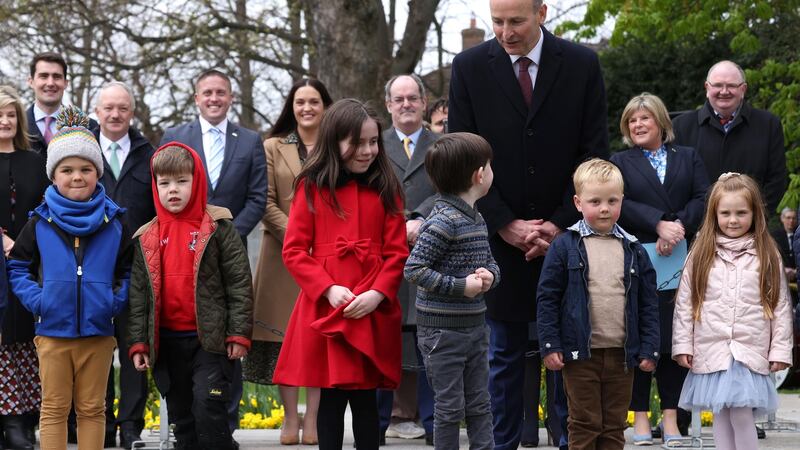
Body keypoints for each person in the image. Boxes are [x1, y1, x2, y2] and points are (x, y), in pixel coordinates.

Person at [448, 1, 609, 448]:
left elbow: (593, 152)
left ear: (541, 12)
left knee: (567, 351)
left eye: (515, 21)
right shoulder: (469, 68)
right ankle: (501, 443)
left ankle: (568, 440)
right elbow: (461, 155)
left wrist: (558, 223)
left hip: (566, 236)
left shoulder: (580, 65)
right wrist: (505, 224)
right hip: (498, 241)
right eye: (497, 21)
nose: (504, 32)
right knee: (503, 353)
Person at [272, 99, 408, 450]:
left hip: (370, 306)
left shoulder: (386, 187)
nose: (367, 151)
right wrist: (328, 289)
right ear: (334, 141)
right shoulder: (312, 186)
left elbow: (396, 252)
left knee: (366, 398)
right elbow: (295, 250)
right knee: (330, 397)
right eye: (357, 143)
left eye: (373, 142)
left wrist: (377, 294)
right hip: (329, 307)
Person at [7, 106, 133, 450]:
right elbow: (18, 267)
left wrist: (113, 301)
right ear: (54, 176)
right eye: (67, 170)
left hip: (98, 333)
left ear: (97, 173)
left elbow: (128, 270)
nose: (77, 176)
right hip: (52, 334)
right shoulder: (40, 222)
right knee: (54, 408)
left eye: (85, 169)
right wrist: (40, 301)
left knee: (93, 409)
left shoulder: (114, 223)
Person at [126, 142, 254, 450]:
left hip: (208, 340)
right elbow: (139, 296)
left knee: (208, 408)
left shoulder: (218, 226)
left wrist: (238, 332)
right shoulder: (147, 236)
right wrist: (139, 342)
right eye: (165, 182)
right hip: (168, 343)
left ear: (196, 181)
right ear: (155, 186)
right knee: (182, 418)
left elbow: (239, 283)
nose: (173, 190)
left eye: (182, 181)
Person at [160, 68, 266, 434]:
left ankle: (225, 425)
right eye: (207, 92)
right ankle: (188, 427)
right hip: (182, 253)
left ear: (231, 97)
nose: (214, 98)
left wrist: (223, 235)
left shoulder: (250, 141)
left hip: (229, 249)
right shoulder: (175, 137)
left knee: (226, 335)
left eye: (221, 92)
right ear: (196, 98)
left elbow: (256, 197)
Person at [537, 159, 660, 450]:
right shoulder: (565, 245)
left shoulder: (634, 248)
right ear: (578, 202)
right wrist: (550, 344)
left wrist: (650, 347)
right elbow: (547, 298)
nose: (604, 208)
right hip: (580, 355)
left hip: (622, 355)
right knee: (584, 422)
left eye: (612, 201)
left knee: (615, 425)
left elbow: (648, 304)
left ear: (622, 201)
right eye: (595, 201)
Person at [609, 93, 709, 445]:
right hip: (637, 260)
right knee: (639, 336)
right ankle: (638, 418)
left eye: (644, 119)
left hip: (680, 260)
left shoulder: (689, 157)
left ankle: (670, 418)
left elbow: (702, 196)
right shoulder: (619, 161)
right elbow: (618, 201)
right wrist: (658, 224)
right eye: (632, 120)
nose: (637, 125)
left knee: (672, 339)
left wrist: (677, 226)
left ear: (661, 122)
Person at [672, 173, 794, 450]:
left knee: (740, 412)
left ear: (755, 213)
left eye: (741, 213)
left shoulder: (766, 252)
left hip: (749, 349)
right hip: (712, 347)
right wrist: (682, 344)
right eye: (725, 213)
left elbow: (781, 305)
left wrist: (780, 351)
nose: (733, 220)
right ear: (714, 214)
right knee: (720, 413)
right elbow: (685, 303)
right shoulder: (701, 251)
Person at [247, 78, 332, 446]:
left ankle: (312, 419)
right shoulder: (272, 147)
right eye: (300, 102)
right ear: (291, 106)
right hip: (283, 256)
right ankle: (290, 418)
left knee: (317, 337)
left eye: (314, 101)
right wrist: (299, 239)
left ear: (325, 106)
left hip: (326, 255)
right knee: (284, 337)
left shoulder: (336, 148)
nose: (307, 108)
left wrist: (320, 243)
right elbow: (264, 203)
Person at [404, 132, 500, 450]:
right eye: (490, 165)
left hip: (474, 327)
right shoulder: (444, 221)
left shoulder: (476, 218)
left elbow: (489, 263)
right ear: (479, 175)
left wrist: (490, 277)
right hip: (441, 334)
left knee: (480, 404)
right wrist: (462, 287)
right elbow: (414, 270)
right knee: (449, 409)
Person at [93, 80, 155, 449]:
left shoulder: (150, 154)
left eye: (123, 108)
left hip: (138, 270)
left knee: (135, 350)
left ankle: (131, 426)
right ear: (97, 112)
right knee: (98, 351)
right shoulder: (82, 153)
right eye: (108, 108)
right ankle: (100, 423)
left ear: (132, 113)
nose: (115, 115)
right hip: (93, 271)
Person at [380, 73, 437, 444]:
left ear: (424, 102)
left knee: (430, 338)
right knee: (385, 337)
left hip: (432, 252)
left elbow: (454, 188)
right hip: (384, 252)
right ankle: (382, 421)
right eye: (398, 99)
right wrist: (396, 223)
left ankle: (434, 422)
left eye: (412, 98)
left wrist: (420, 218)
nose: (406, 104)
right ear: (388, 105)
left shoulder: (442, 144)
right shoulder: (375, 144)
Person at [672, 60, 786, 215]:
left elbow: (777, 180)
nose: (724, 91)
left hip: (751, 228)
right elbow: (676, 183)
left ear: (743, 89)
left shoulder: (769, 125)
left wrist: (754, 218)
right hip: (697, 230)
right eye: (718, 85)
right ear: (707, 88)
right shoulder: (681, 126)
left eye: (732, 85)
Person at [0, 86, 48, 450]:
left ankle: (21, 421)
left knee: (24, 342)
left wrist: (26, 240)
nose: (5, 121)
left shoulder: (34, 160)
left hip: (30, 261)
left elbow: (45, 207)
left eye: (11, 115)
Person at [25, 52, 98, 159]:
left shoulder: (89, 127)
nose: (50, 83)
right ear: (31, 82)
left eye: (57, 77)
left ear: (66, 83)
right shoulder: (16, 126)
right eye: (44, 76)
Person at [771, 207, 797, 283]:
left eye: (793, 218)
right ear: (782, 219)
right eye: (788, 218)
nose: (791, 221)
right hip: (780, 278)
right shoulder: (774, 237)